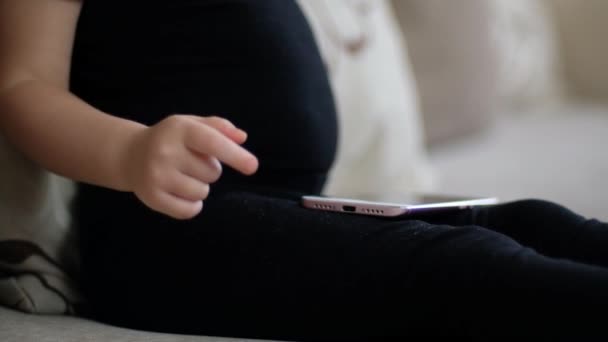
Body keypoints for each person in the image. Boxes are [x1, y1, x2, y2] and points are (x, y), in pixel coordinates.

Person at [1, 0, 607, 340]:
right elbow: (22, 85)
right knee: (470, 263)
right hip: (169, 234)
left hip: (278, 209)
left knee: (531, 219)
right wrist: (128, 151)